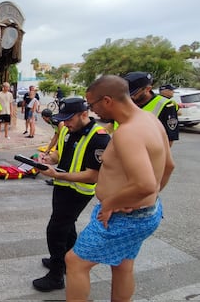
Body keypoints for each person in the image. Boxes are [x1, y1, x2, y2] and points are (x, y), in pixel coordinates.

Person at [65, 75, 175, 301]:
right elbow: (168, 167)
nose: (92, 111)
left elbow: (144, 184)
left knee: (75, 262)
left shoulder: (128, 132)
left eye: (92, 105)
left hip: (123, 217)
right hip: (145, 213)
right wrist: (148, 199)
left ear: (107, 100)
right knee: (123, 264)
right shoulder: (150, 120)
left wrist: (110, 203)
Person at [32, 97, 111, 292]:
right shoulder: (67, 129)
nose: (65, 123)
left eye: (69, 119)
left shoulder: (99, 138)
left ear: (84, 114)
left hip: (79, 191)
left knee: (56, 229)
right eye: (63, 119)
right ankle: (67, 261)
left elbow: (93, 175)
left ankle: (56, 275)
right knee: (66, 225)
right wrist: (49, 158)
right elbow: (61, 153)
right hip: (62, 185)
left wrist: (58, 174)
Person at [123, 71, 179, 146]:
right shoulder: (124, 101)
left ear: (147, 89)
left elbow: (169, 139)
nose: (130, 96)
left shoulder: (166, 105)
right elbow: (112, 125)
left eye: (134, 93)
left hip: (147, 154)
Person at [40, 108, 65, 186]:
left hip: (66, 141)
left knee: (61, 160)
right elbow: (56, 136)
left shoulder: (54, 120)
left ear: (45, 117)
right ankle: (57, 178)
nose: (44, 120)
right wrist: (48, 149)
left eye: (43, 119)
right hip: (63, 141)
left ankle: (58, 178)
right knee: (56, 158)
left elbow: (62, 126)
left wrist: (61, 144)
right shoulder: (53, 120)